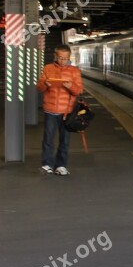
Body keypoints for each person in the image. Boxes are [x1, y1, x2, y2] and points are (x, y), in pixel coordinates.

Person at [36, 44, 83, 175]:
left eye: (65, 58)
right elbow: (39, 88)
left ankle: (61, 165)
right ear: (55, 56)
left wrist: (70, 86)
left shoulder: (74, 71)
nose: (63, 61)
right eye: (60, 58)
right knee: (48, 138)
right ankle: (47, 164)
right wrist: (45, 84)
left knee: (65, 139)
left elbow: (78, 90)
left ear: (69, 57)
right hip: (50, 109)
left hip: (66, 112)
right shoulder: (48, 68)